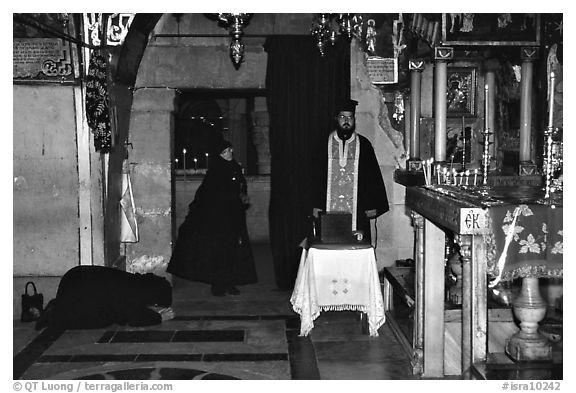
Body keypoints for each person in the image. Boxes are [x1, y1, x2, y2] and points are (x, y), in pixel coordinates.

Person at [167, 139, 257, 296]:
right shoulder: (215, 172)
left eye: (230, 150)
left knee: (233, 250)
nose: (229, 153)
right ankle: (218, 284)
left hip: (234, 218)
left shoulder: (235, 168)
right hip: (218, 220)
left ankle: (231, 282)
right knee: (218, 251)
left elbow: (241, 187)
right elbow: (205, 195)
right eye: (225, 151)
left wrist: (242, 196)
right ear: (219, 155)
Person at [311, 99, 389, 243]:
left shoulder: (364, 145)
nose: (346, 121)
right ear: (336, 119)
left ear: (354, 119)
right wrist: (315, 204)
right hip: (327, 210)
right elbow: (315, 176)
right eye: (342, 117)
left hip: (357, 210)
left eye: (350, 117)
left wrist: (373, 205)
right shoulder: (323, 143)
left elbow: (373, 177)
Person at [35, 265, 174, 330]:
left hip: (74, 279)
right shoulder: (134, 292)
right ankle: (55, 316)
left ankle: (58, 308)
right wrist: (159, 317)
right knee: (103, 319)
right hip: (79, 296)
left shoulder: (130, 280)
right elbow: (133, 317)